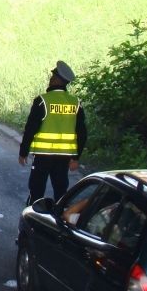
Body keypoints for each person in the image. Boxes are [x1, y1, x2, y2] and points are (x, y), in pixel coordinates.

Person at [18, 61, 87, 205]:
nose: (50, 80)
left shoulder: (42, 101)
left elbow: (31, 128)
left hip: (43, 156)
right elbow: (82, 132)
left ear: (57, 80)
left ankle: (33, 216)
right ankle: (60, 219)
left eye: (52, 77)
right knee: (61, 193)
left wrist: (23, 152)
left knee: (36, 190)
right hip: (64, 158)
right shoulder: (75, 103)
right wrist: (76, 158)